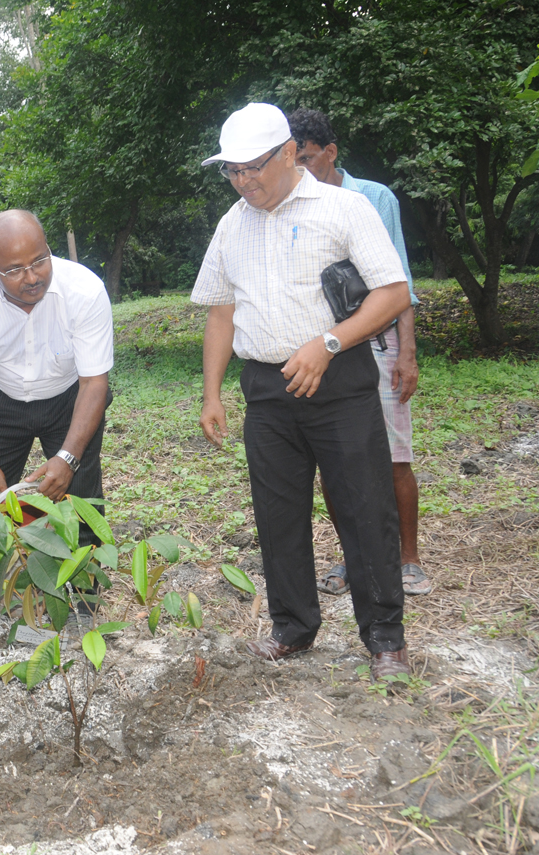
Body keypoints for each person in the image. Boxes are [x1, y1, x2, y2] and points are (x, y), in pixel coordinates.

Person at [193, 103, 413, 679]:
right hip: (266, 388)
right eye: (232, 172)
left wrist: (330, 343)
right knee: (277, 513)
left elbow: (391, 294)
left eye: (254, 168)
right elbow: (222, 311)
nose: (244, 182)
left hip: (339, 381)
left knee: (367, 508)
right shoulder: (231, 223)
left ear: (290, 153)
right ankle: (293, 626)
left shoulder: (343, 208)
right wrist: (212, 393)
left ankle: (385, 636)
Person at [0, 209, 113, 624]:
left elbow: (95, 383)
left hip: (71, 398)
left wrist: (67, 458)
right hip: (0, 401)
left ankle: (83, 597)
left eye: (39, 261)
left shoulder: (84, 290)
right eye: (14, 269)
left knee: (80, 494)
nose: (32, 277)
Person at [287, 108, 432, 598]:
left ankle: (407, 557)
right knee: (340, 461)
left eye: (307, 159)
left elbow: (398, 281)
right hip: (327, 350)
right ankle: (354, 556)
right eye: (293, 159)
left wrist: (406, 354)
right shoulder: (291, 204)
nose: (300, 169)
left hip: (378, 343)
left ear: (330, 153)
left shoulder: (373, 198)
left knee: (392, 456)